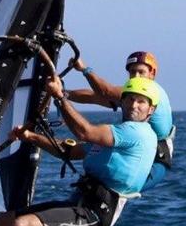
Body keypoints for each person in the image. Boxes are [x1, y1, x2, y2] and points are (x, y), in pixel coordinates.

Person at [0, 75, 159, 226]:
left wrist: (60, 98)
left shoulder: (137, 133)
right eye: (129, 99)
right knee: (4, 221)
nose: (134, 105)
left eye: (141, 101)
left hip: (95, 215)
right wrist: (29, 137)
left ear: (150, 109)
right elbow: (71, 151)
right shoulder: (117, 134)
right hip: (77, 205)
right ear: (122, 102)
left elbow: (84, 132)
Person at [68, 50, 175, 188]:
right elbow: (95, 97)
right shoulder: (134, 95)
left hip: (157, 159)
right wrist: (65, 94)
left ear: (152, 74)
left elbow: (105, 91)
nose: (136, 76)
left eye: (141, 72)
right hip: (136, 148)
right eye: (132, 72)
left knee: (112, 187)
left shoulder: (151, 92)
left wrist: (84, 69)